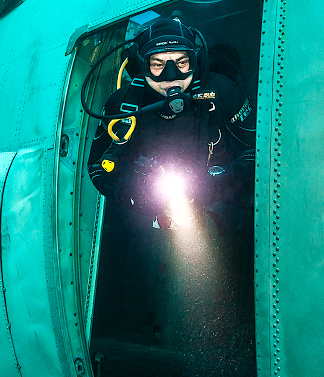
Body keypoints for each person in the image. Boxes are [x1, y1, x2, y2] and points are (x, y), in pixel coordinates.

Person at [87, 16, 254, 229]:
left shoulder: (223, 92)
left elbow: (258, 152)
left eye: (182, 63)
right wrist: (134, 196)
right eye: (158, 64)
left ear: (195, 61)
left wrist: (216, 184)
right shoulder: (123, 104)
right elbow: (96, 165)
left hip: (223, 201)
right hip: (153, 213)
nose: (171, 76)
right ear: (142, 65)